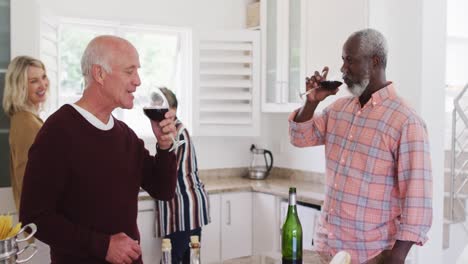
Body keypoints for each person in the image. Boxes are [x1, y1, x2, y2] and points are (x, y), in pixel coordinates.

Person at [19, 35, 178, 264]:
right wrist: (102, 246)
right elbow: (34, 217)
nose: (138, 81)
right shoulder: (58, 132)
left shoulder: (125, 135)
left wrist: (165, 147)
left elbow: (163, 190)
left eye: (138, 71)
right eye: (129, 71)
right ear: (99, 74)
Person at [289, 28, 432, 264]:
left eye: (350, 60)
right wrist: (311, 102)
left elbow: (417, 200)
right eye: (343, 61)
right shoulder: (338, 110)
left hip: (371, 255)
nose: (343, 69)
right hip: (327, 249)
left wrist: (396, 258)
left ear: (374, 61)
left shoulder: (406, 121)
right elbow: (300, 137)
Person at [156, 88, 210, 264]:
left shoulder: (176, 134)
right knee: (189, 260)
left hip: (184, 210)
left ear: (173, 110)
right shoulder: (175, 131)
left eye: (165, 110)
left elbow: (166, 172)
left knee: (173, 259)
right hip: (185, 209)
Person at [2, 56, 49, 211]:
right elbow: (26, 177)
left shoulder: (30, 119)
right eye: (33, 81)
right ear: (20, 87)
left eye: (43, 77)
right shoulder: (24, 122)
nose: (43, 85)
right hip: (39, 220)